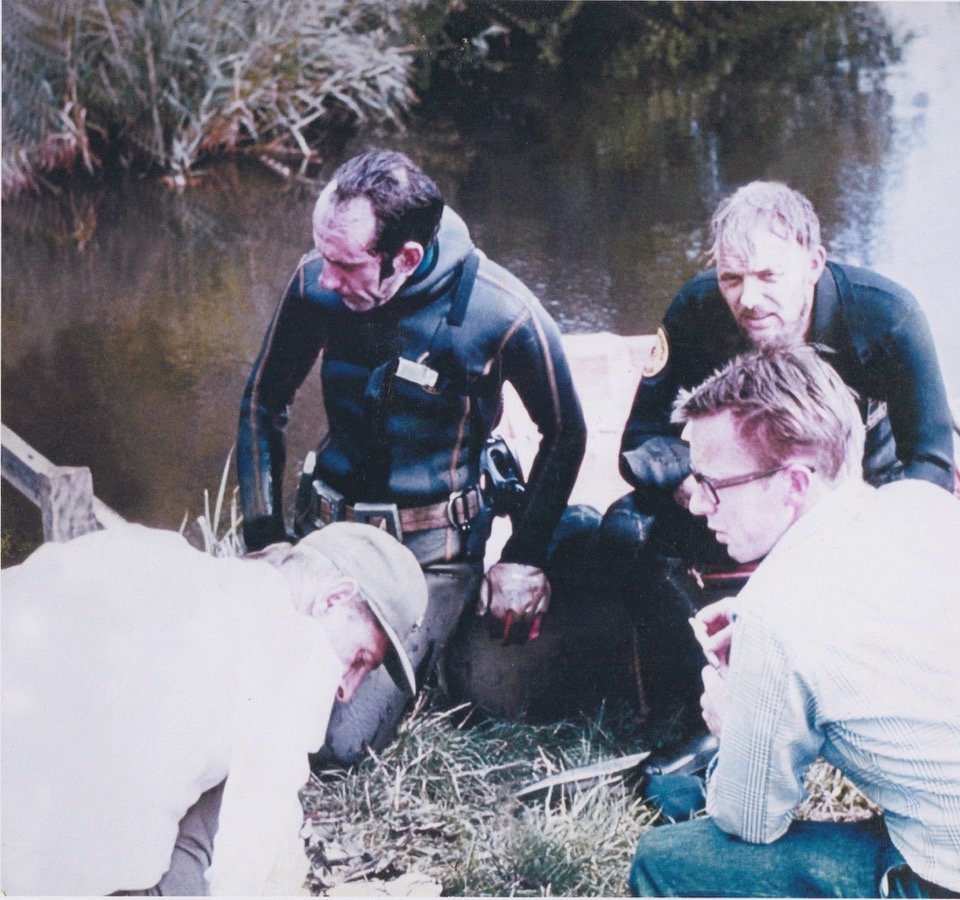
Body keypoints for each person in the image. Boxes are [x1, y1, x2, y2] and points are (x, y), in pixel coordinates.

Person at [628, 347, 960, 898]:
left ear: (795, 483)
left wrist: (733, 726)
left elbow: (749, 821)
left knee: (666, 861)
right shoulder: (922, 505)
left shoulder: (778, 613)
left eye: (712, 485)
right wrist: (757, 635)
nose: (700, 506)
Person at [238, 150, 587, 761]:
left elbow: (566, 432)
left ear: (405, 258)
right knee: (242, 683)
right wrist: (266, 537)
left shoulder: (500, 312)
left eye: (344, 265)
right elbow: (263, 402)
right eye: (321, 254)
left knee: (333, 742)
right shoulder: (314, 286)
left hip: (430, 558)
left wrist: (523, 556)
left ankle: (434, 654)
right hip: (327, 540)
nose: (324, 277)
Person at [601, 180, 957, 716]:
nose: (748, 298)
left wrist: (853, 530)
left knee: (931, 544)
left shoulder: (888, 317)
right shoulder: (697, 310)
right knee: (627, 529)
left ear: (814, 263)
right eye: (732, 278)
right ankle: (692, 705)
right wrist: (696, 489)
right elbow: (642, 441)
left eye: (769, 276)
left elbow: (932, 464)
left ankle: (869, 695)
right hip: (737, 497)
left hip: (857, 496)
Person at [1, 521, 429, 896]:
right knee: (228, 820)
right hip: (36, 881)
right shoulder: (297, 650)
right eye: (357, 660)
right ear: (333, 599)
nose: (347, 689)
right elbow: (248, 870)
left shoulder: (152, 552)